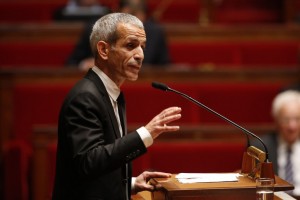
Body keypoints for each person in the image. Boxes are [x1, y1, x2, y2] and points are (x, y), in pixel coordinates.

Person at [51, 13, 182, 200]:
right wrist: (146, 133)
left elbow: (100, 168)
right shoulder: (85, 97)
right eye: (131, 45)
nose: (140, 55)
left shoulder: (112, 93)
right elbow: (88, 163)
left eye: (142, 47)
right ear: (104, 50)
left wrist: (130, 182)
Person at [65, 0, 171, 71]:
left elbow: (165, 67)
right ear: (116, 11)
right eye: (129, 14)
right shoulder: (96, 29)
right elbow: (72, 63)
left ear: (144, 15)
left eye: (138, 13)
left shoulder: (155, 33)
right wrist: (84, 64)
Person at [253, 90, 300, 198]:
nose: (292, 127)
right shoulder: (260, 147)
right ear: (276, 120)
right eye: (286, 119)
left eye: (297, 119)